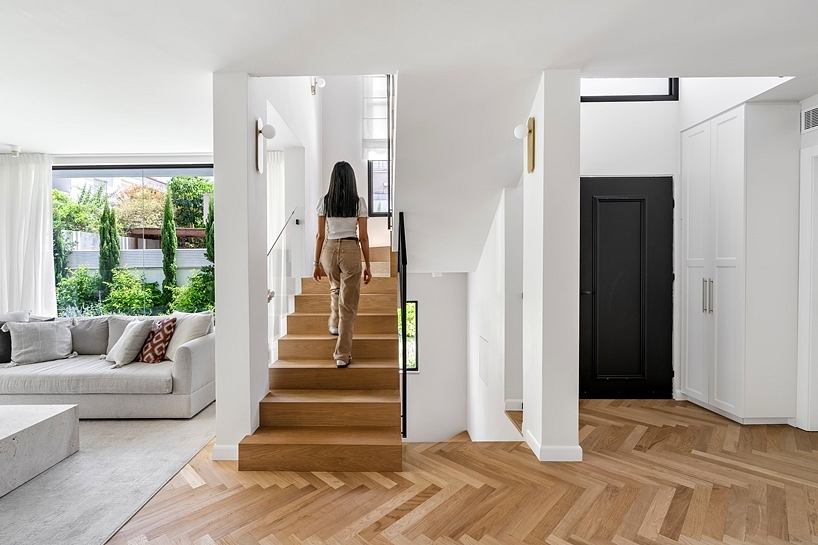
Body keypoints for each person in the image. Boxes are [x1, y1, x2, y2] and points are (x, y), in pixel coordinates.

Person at [312, 161, 371, 368]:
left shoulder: (324, 201)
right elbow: (363, 237)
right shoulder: (358, 203)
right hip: (350, 250)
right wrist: (368, 265)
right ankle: (342, 355)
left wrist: (316, 263)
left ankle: (334, 320)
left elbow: (320, 235)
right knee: (349, 304)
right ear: (352, 179)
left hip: (328, 251)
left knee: (336, 288)